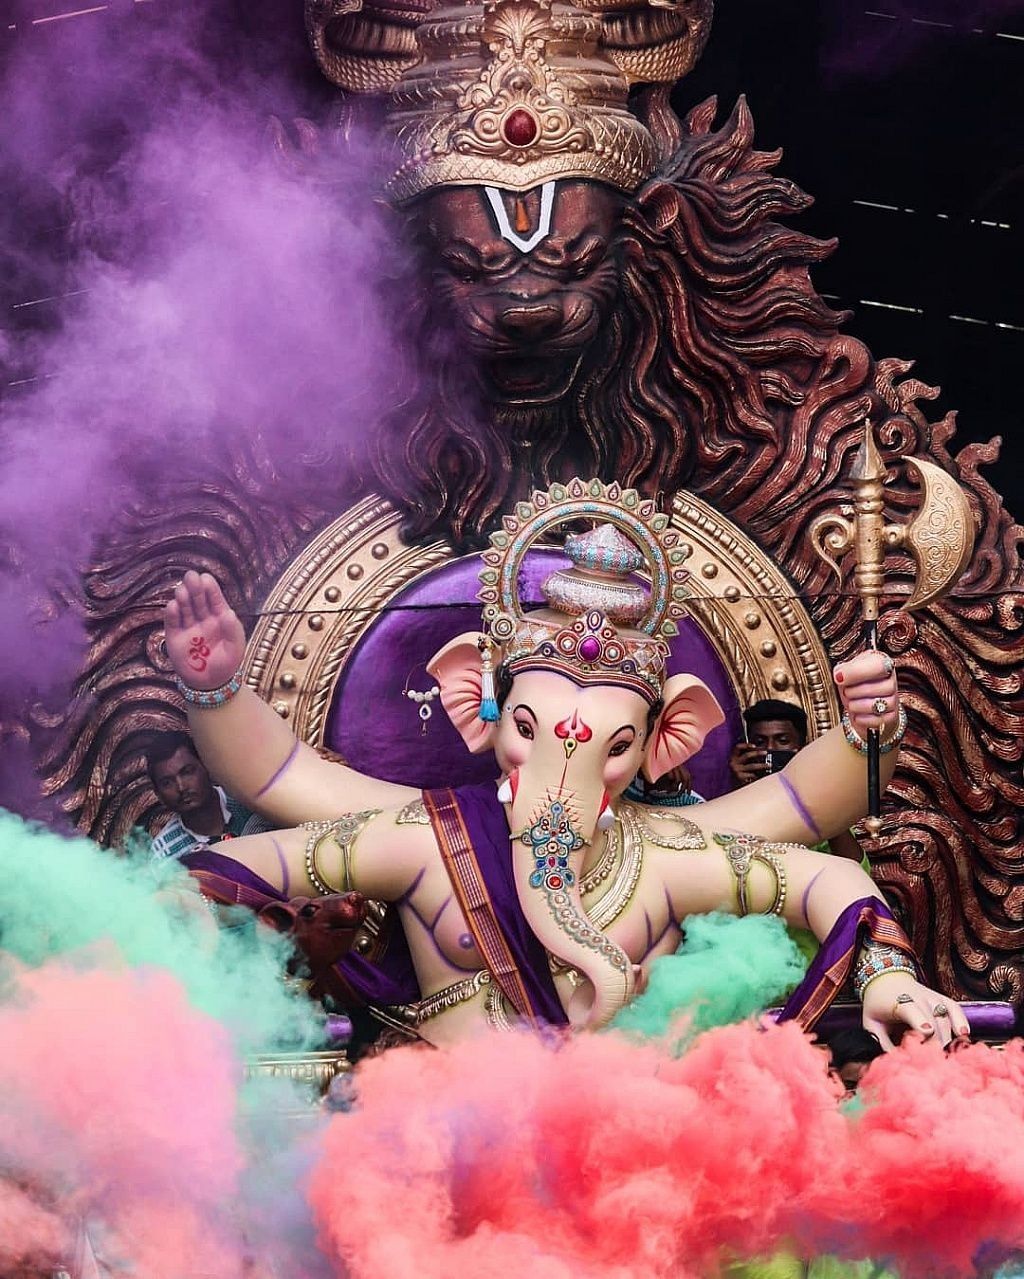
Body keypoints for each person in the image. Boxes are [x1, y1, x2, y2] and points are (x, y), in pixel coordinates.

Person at [157, 484, 967, 1052]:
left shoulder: (668, 858)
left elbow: (825, 873)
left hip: (625, 1173)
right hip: (435, 1171)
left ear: (665, 739)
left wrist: (891, 975)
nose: (564, 765)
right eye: (528, 727)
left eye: (613, 744)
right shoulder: (428, 840)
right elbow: (263, 832)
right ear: (476, 702)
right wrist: (183, 903)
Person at [729, 700, 864, 864]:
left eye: (783, 740)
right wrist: (737, 790)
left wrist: (823, 804)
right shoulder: (738, 799)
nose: (771, 748)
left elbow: (857, 868)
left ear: (801, 748)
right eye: (760, 742)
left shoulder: (821, 800)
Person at [144, 731, 250, 861]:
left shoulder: (247, 801)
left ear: (205, 765)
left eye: (187, 772)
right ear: (158, 794)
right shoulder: (163, 854)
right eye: (167, 783)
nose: (181, 787)